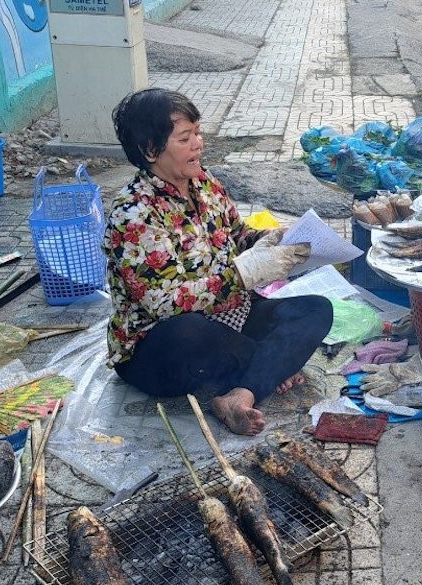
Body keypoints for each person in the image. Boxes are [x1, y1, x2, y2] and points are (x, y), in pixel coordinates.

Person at [104, 88, 333, 436]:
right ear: (151, 149)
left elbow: (234, 233)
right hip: (159, 347)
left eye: (198, 133)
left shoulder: (205, 183)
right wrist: (244, 275)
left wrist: (271, 241)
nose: (198, 144)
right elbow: (164, 303)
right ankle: (270, 366)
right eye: (185, 138)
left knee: (316, 310)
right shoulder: (133, 213)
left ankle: (240, 395)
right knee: (189, 331)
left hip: (229, 318)